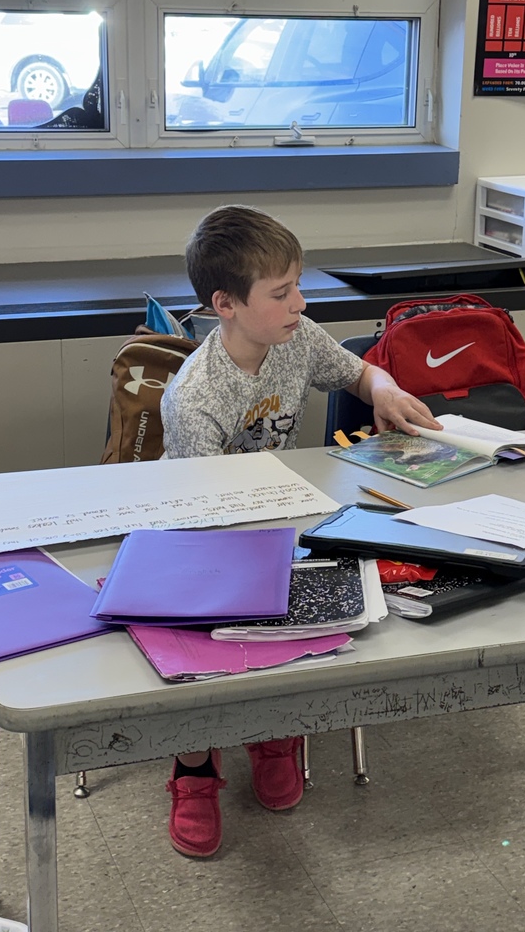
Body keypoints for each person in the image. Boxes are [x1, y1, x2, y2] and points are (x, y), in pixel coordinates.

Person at [160, 204, 442, 858]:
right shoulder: (195, 394)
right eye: (281, 292)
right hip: (207, 537)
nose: (300, 302)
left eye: (298, 286)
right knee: (205, 643)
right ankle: (194, 766)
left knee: (296, 628)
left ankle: (273, 732)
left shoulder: (300, 339)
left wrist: (385, 389)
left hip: (284, 525)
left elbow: (358, 370)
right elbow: (198, 508)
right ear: (225, 304)